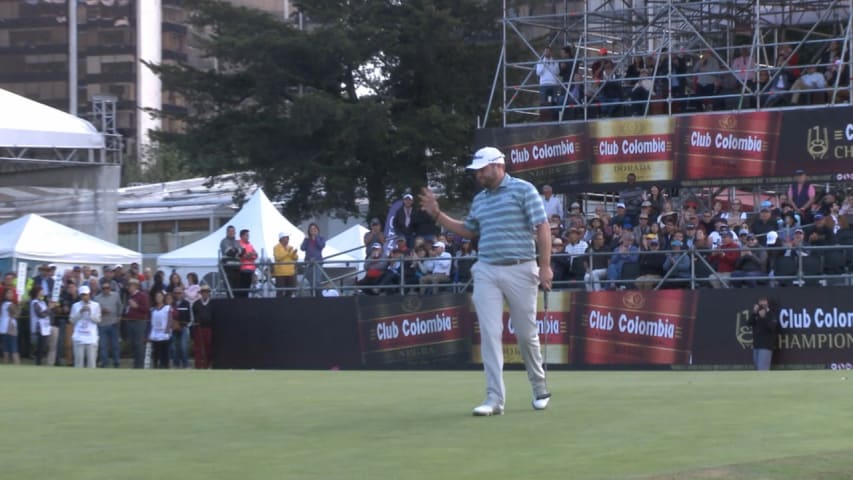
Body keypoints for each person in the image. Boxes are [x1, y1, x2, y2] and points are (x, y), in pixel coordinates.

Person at [419, 146, 552, 416]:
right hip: (487, 269)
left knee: (526, 335)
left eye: (482, 169)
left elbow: (542, 227)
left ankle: (539, 386)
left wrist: (546, 266)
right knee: (490, 335)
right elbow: (469, 231)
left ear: (497, 165)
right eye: (476, 170)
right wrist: (437, 214)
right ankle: (494, 399)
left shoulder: (524, 189)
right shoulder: (480, 199)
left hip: (521, 267)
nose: (478, 174)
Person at [69, 285, 101, 368]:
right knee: (78, 362)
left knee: (91, 362)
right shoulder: (75, 306)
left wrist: (90, 313)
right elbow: (72, 320)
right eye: (83, 295)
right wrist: (80, 312)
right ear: (80, 296)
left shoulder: (96, 305)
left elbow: (98, 320)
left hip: (91, 337)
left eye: (86, 294)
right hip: (79, 336)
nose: (85, 296)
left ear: (89, 294)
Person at [94, 280, 123, 368]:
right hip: (102, 325)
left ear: (110, 288)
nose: (105, 289)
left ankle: (116, 362)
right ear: (101, 289)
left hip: (113, 324)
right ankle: (104, 363)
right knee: (103, 345)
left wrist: (119, 316)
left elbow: (120, 306)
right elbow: (95, 311)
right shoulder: (97, 298)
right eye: (104, 288)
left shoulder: (116, 295)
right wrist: (102, 311)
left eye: (107, 288)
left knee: (115, 345)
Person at [124, 278, 150, 369]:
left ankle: (140, 365)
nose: (128, 287)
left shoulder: (142, 296)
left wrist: (136, 306)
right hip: (130, 322)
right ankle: (136, 364)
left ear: (135, 286)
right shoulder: (130, 297)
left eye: (130, 285)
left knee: (139, 344)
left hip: (139, 322)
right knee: (133, 344)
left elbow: (146, 309)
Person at [748, 297, 780, 370]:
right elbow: (748, 323)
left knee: (762, 370)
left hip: (766, 346)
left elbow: (772, 327)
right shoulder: (756, 314)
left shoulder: (771, 314)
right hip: (756, 345)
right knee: (757, 369)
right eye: (760, 305)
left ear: (767, 305)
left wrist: (764, 317)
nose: (762, 307)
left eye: (764, 305)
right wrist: (754, 313)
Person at [301, 223, 326, 296]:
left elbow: (321, 245)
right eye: (311, 229)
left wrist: (316, 237)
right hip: (308, 263)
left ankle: (319, 297)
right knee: (311, 281)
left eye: (315, 229)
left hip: (318, 262)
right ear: (309, 230)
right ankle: (313, 296)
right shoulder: (307, 240)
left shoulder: (321, 238)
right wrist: (306, 239)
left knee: (317, 281)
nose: (313, 230)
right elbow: (302, 248)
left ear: (318, 230)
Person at [192, 285, 214, 369]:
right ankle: (198, 365)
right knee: (198, 348)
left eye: (206, 292)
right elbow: (194, 315)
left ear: (209, 293)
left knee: (208, 347)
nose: (205, 294)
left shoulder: (212, 304)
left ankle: (207, 365)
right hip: (199, 328)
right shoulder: (196, 304)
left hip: (209, 328)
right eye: (203, 292)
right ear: (200, 293)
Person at [149, 292, 172, 369]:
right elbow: (151, 322)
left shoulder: (167, 308)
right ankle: (156, 366)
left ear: (163, 298)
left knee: (164, 351)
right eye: (157, 296)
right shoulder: (152, 309)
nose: (158, 298)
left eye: (160, 296)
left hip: (164, 333)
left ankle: (165, 365)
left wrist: (167, 330)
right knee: (156, 351)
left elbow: (169, 320)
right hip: (155, 333)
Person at [272, 232, 299, 297]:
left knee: (290, 290)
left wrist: (294, 253)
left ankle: (288, 303)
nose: (288, 239)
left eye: (288, 238)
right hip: (280, 273)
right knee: (280, 291)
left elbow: (295, 258)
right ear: (281, 239)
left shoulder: (290, 247)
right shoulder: (276, 247)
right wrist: (287, 252)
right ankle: (279, 304)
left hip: (290, 272)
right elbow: (278, 257)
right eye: (286, 238)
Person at [170, 287, 191, 368]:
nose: (178, 295)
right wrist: (174, 324)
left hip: (183, 328)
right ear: (173, 294)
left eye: (179, 293)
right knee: (174, 348)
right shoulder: (171, 303)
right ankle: (176, 365)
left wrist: (180, 324)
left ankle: (186, 365)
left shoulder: (186, 303)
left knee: (183, 347)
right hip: (173, 328)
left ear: (182, 293)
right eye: (176, 293)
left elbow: (188, 318)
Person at [219, 225, 242, 295]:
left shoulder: (237, 242)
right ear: (227, 232)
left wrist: (235, 250)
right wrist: (236, 250)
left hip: (237, 268)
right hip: (228, 268)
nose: (232, 232)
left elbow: (242, 252)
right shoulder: (224, 241)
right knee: (230, 289)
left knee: (237, 289)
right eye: (230, 231)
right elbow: (229, 252)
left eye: (233, 231)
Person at [236, 229, 258, 298]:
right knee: (242, 287)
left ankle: (246, 300)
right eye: (246, 235)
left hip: (251, 269)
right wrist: (249, 255)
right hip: (243, 269)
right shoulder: (238, 244)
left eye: (248, 235)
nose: (248, 237)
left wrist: (249, 255)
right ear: (242, 236)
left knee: (248, 287)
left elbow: (256, 255)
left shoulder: (250, 244)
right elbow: (240, 256)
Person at [1, 288, 20, 364]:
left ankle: (5, 365)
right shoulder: (10, 304)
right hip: (10, 328)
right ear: (5, 295)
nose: (11, 294)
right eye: (8, 293)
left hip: (3, 328)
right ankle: (17, 364)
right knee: (14, 348)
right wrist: (20, 305)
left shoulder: (3, 304)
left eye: (11, 293)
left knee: (6, 349)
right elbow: (16, 314)